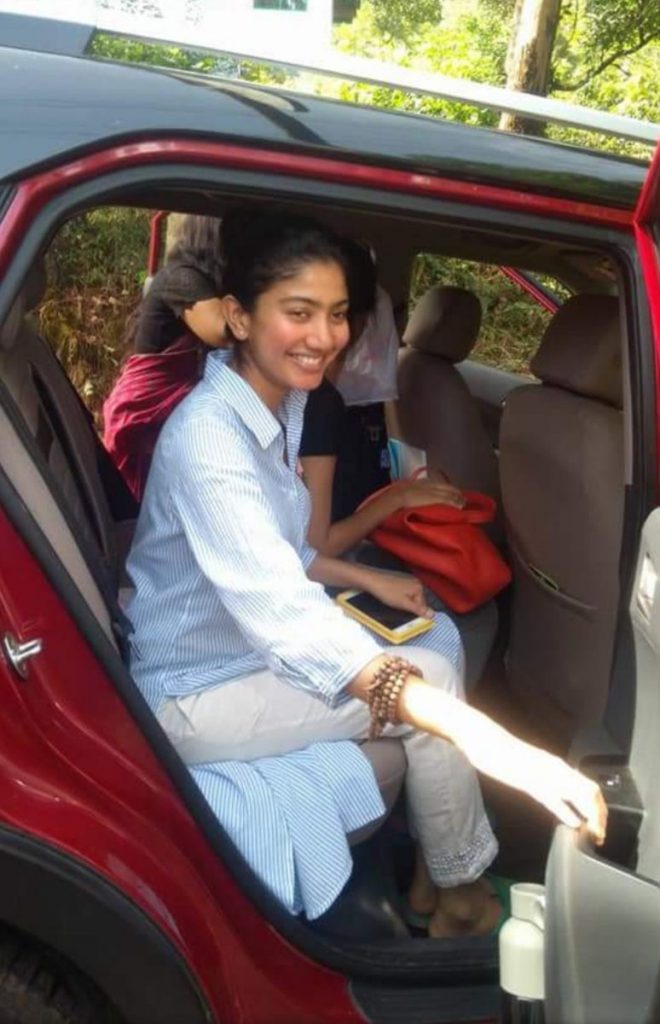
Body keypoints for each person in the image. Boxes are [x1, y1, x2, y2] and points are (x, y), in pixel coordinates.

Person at [125, 209, 606, 936]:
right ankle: (459, 894)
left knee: (433, 642)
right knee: (433, 678)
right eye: (298, 313)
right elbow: (286, 614)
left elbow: (284, 553)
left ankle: (436, 884)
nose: (324, 337)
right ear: (238, 317)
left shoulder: (271, 409)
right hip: (194, 694)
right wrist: (506, 751)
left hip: (237, 653)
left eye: (339, 314)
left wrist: (372, 584)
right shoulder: (210, 441)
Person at [301, 239, 464, 559]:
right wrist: (399, 496)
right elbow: (318, 548)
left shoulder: (297, 393)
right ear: (363, 323)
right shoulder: (319, 403)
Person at [102, 214, 226, 500]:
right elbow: (222, 330)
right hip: (144, 414)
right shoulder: (181, 277)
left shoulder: (198, 281)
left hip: (161, 413)